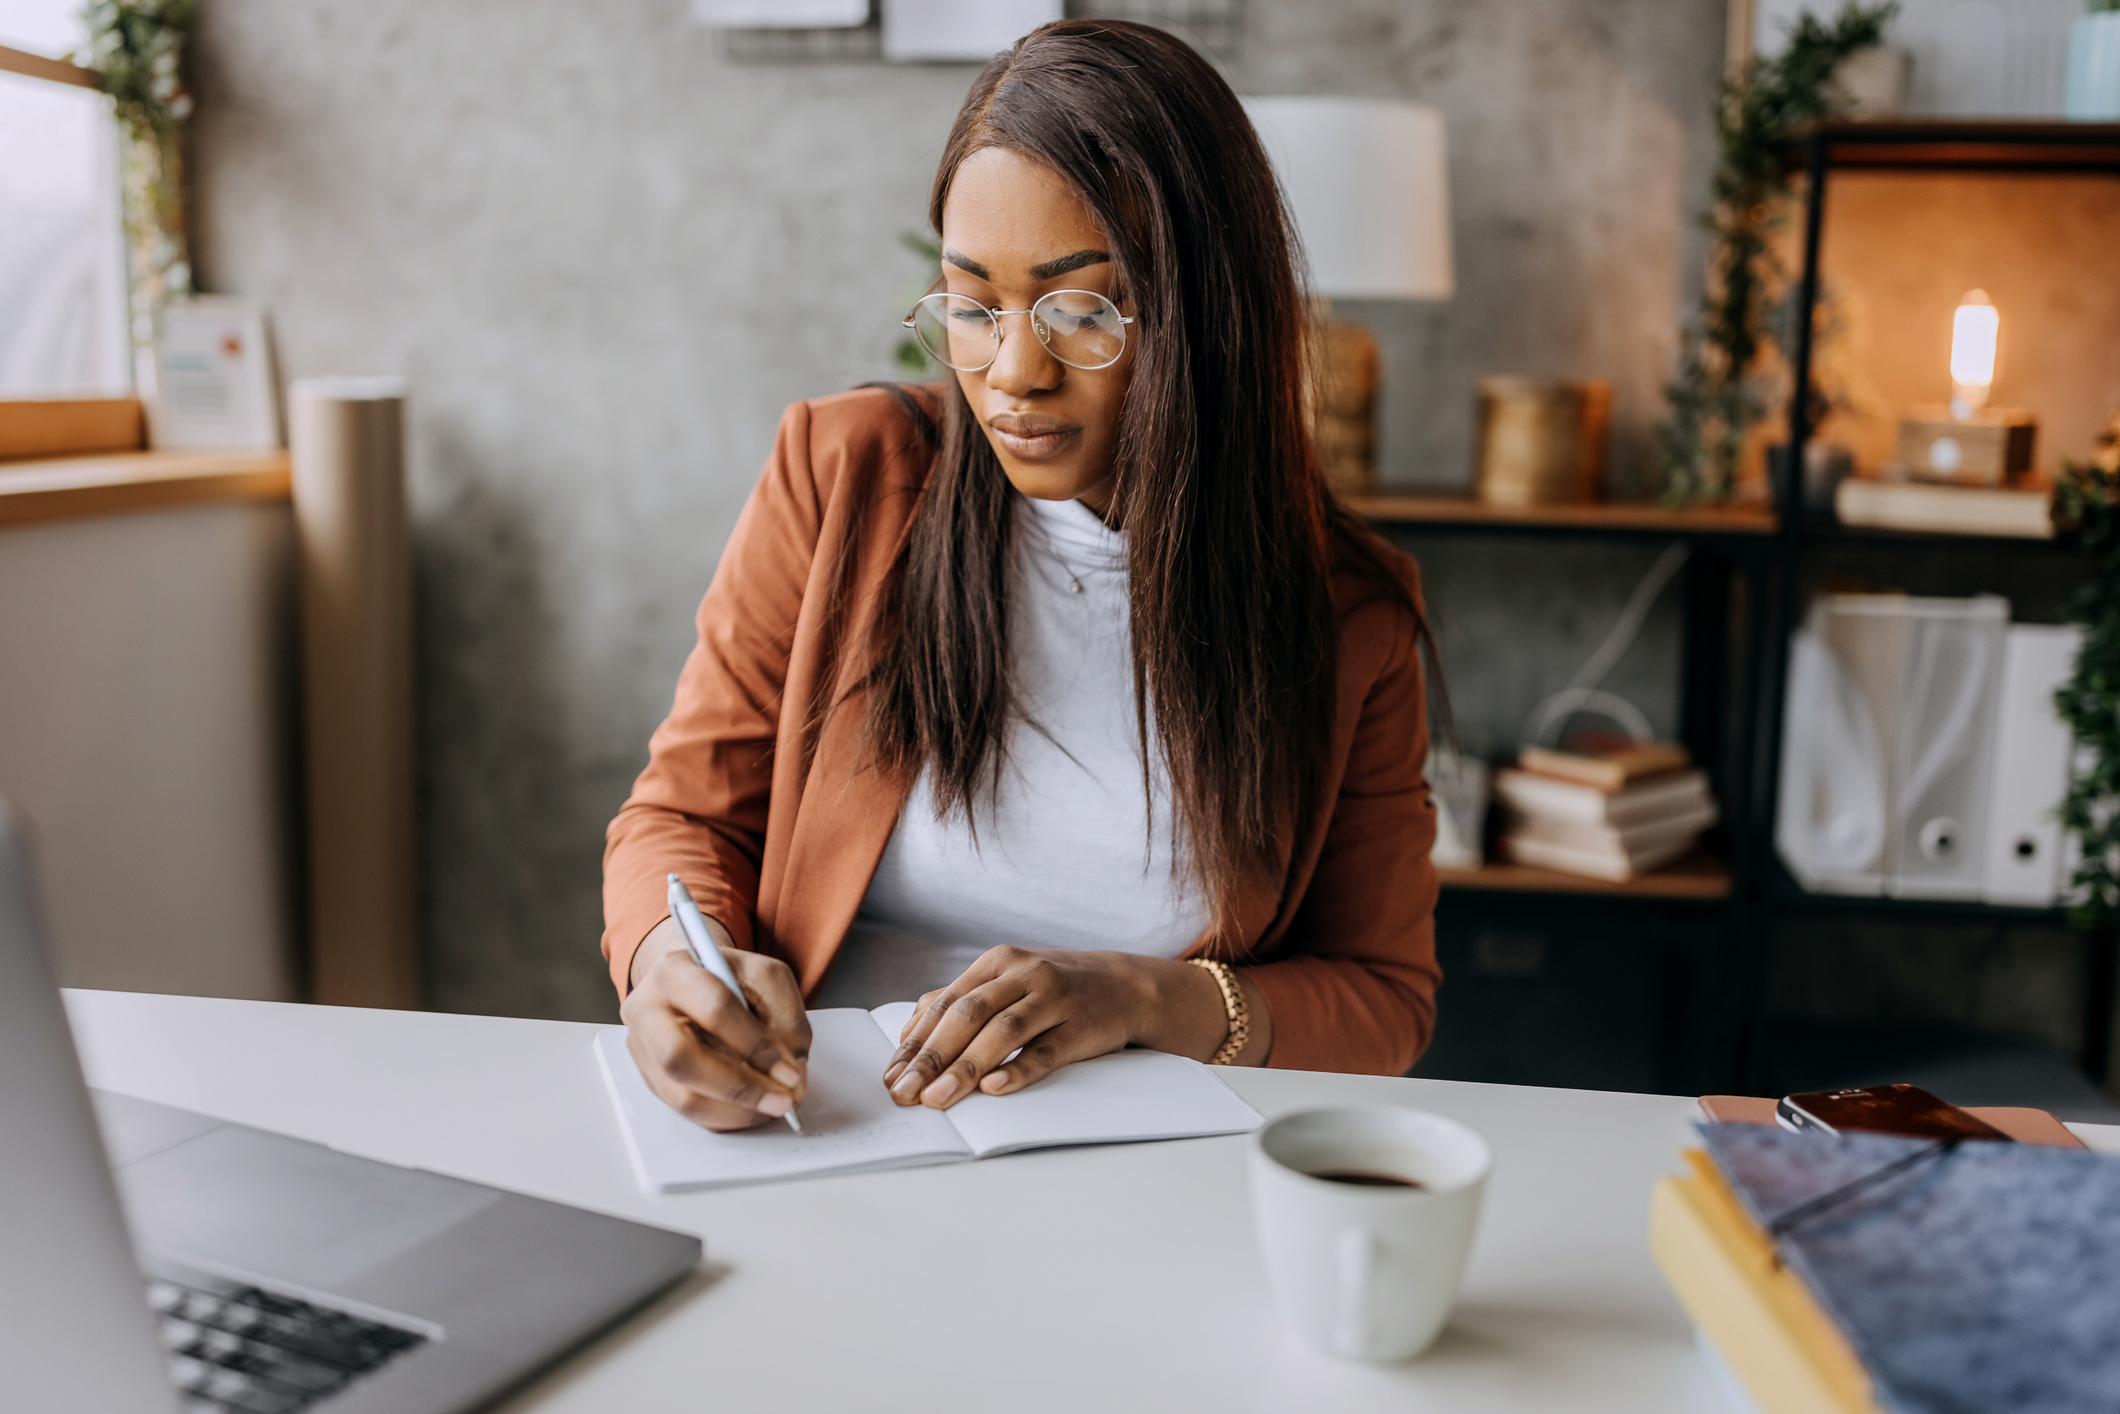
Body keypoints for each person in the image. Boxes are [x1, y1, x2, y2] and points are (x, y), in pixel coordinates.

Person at [602, 18, 1441, 1134]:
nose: (1012, 375)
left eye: (1079, 310)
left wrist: (1146, 997)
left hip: (1142, 1174)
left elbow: (1384, 1001)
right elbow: (679, 817)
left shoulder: (1346, 615)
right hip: (823, 1132)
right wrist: (671, 965)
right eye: (971, 305)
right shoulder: (845, 473)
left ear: (1206, 318)